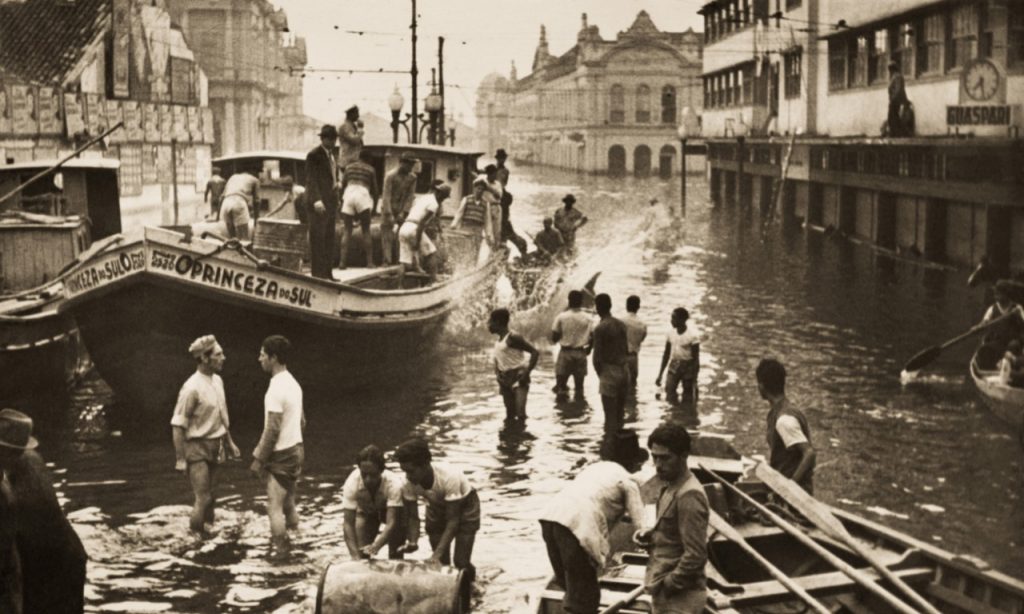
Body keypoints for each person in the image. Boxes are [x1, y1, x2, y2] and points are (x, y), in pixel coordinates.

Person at [539, 430, 650, 614]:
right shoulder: (628, 480)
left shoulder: (593, 469)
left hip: (551, 518)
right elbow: (642, 529)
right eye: (639, 465)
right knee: (586, 598)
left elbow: (596, 498)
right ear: (631, 462)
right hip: (577, 527)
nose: (639, 469)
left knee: (568, 587)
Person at [0, 409, 87, 613]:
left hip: (48, 565)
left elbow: (8, 559)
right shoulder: (29, 460)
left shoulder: (8, 492)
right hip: (66, 556)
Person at [395, 438, 480, 609]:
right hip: (435, 507)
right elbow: (413, 517)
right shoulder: (407, 483)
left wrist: (436, 554)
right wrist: (413, 541)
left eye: (411, 471)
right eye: (404, 471)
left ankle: (471, 585)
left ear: (425, 464)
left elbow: (453, 521)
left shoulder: (449, 477)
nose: (408, 476)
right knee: (442, 565)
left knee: (460, 562)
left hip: (465, 506)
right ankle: (447, 602)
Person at [171, 335, 241, 535]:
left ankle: (208, 531)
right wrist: (180, 459)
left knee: (213, 496)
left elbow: (221, 416)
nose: (223, 358)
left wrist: (230, 442)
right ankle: (195, 538)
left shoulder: (218, 380)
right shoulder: (191, 388)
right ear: (204, 358)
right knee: (202, 498)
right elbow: (178, 425)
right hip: (197, 447)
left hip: (217, 444)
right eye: (218, 355)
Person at [636, 424, 709, 614]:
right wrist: (649, 536)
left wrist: (670, 583)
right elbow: (672, 533)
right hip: (665, 592)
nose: (658, 465)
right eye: (655, 457)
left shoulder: (689, 494)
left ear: (684, 455)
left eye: (665, 458)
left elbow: (696, 555)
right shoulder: (669, 486)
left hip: (681, 598)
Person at [251, 335, 306, 555]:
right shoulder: (294, 383)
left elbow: (272, 429)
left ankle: (281, 553)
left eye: (263, 355)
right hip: (297, 449)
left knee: (273, 507)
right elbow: (302, 421)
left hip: (282, 453)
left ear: (273, 358)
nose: (259, 359)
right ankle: (297, 538)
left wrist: (258, 459)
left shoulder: (275, 389)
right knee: (288, 502)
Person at [755, 358, 816, 493]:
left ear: (761, 386)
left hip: (796, 494)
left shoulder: (784, 420)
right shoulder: (785, 410)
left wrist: (791, 484)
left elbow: (809, 453)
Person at [342, 444, 406, 560]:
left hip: (391, 513)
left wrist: (377, 545)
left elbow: (392, 522)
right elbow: (348, 523)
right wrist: (354, 555)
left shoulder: (394, 484)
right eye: (364, 474)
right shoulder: (351, 483)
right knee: (362, 554)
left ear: (381, 470)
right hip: (366, 512)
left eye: (373, 475)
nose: (368, 480)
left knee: (395, 555)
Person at [489, 307, 539, 421]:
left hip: (518, 376)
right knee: (510, 415)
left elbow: (535, 352)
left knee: (521, 414)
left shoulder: (512, 337)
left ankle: (522, 436)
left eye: (490, 321)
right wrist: (497, 375)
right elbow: (497, 360)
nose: (488, 325)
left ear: (498, 322)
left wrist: (527, 373)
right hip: (504, 379)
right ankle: (512, 436)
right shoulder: (498, 341)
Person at [306, 124, 340, 279]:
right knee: (318, 239)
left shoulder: (332, 155)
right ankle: (317, 274)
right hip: (319, 204)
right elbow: (311, 179)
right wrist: (316, 200)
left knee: (329, 239)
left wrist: (337, 186)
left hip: (331, 202)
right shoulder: (314, 155)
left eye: (334, 139)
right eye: (330, 139)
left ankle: (327, 273)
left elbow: (333, 175)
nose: (333, 142)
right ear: (324, 139)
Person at [398, 181, 448, 286]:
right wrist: (417, 240)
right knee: (432, 253)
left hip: (404, 227)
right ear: (439, 194)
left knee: (403, 260)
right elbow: (422, 224)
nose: (442, 200)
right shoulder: (434, 204)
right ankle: (433, 281)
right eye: (443, 197)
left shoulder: (423, 198)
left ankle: (399, 287)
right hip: (414, 228)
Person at [592, 293, 631, 428]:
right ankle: (621, 443)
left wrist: (601, 374)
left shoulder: (600, 328)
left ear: (597, 308)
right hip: (624, 370)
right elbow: (626, 349)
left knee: (609, 417)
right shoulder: (621, 324)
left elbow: (596, 358)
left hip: (609, 370)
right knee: (620, 414)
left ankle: (609, 444)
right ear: (610, 306)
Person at [339, 150, 379, 269]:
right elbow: (375, 191)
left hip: (349, 193)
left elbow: (342, 186)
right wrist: (374, 208)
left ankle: (342, 263)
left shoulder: (349, 167)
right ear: (369, 159)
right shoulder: (371, 169)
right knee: (366, 230)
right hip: (362, 194)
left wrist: (341, 202)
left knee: (347, 230)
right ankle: (370, 262)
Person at [551, 290, 594, 398]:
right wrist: (589, 348)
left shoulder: (561, 317)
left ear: (569, 301)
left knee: (560, 386)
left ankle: (561, 410)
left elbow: (554, 337)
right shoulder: (588, 318)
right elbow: (594, 335)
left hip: (565, 353)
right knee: (579, 387)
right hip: (580, 353)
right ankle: (579, 408)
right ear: (581, 302)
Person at [380, 152, 419, 266]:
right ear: (401, 163)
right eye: (409, 164)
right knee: (386, 235)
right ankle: (386, 260)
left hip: (402, 210)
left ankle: (399, 261)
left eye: (412, 164)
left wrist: (404, 212)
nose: (410, 167)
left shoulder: (412, 177)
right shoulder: (390, 175)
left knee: (401, 236)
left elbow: (410, 196)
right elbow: (386, 195)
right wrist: (389, 214)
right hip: (388, 209)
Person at [656, 308, 701, 404]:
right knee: (669, 389)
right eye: (672, 317)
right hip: (674, 363)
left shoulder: (693, 335)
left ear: (682, 320)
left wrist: (695, 377)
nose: (671, 320)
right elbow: (666, 354)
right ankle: (674, 412)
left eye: (674, 318)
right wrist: (660, 374)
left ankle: (685, 413)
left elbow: (696, 358)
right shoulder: (670, 333)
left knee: (688, 393)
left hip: (688, 365)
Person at [495, 149, 529, 255]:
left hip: (501, 197)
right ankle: (513, 245)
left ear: (504, 159)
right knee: (504, 227)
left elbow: (500, 184)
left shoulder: (503, 171)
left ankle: (520, 246)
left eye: (503, 158)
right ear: (497, 159)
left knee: (504, 225)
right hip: (499, 197)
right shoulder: (497, 169)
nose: (501, 160)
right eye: (500, 158)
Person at [451, 177, 495, 248]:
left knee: (475, 249)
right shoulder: (466, 199)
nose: (480, 191)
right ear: (474, 188)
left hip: (478, 230)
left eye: (482, 189)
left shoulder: (486, 203)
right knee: (464, 248)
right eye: (478, 188)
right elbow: (459, 213)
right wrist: (454, 225)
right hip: (466, 228)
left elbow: (487, 220)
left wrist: (489, 234)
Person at [220, 171, 259, 241]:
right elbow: (257, 201)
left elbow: (221, 197)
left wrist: (217, 217)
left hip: (226, 202)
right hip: (238, 202)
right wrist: (256, 220)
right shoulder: (255, 180)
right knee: (244, 239)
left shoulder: (233, 177)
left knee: (232, 240)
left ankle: (234, 249)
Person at [621, 295, 648, 388]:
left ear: (626, 305)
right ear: (638, 307)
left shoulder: (620, 321)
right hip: (634, 358)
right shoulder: (642, 323)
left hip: (621, 358)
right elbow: (642, 339)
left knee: (621, 387)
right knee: (633, 385)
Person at [480, 164, 504, 240]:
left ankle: (495, 247)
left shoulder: (497, 184)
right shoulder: (482, 182)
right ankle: (487, 247)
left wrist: (488, 188)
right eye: (494, 174)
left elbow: (499, 196)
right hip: (485, 207)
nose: (495, 176)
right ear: (489, 174)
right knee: (486, 230)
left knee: (497, 230)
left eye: (495, 174)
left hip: (495, 207)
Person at [338, 105, 364, 172]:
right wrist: (360, 128)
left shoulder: (351, 126)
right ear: (351, 114)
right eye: (357, 113)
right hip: (347, 162)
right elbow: (354, 140)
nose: (358, 116)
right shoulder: (345, 126)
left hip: (352, 161)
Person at [887, 60, 909, 138]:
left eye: (890, 69)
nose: (889, 71)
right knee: (893, 116)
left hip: (896, 100)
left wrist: (893, 98)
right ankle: (896, 132)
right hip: (893, 99)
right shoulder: (894, 77)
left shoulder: (897, 77)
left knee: (893, 116)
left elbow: (898, 89)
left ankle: (897, 133)